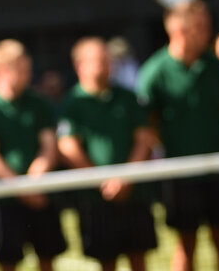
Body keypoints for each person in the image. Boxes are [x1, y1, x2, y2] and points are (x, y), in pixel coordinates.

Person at [137, 0, 219, 271]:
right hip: (179, 174)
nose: (207, 32)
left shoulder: (213, 65)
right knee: (185, 244)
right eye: (201, 27)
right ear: (180, 31)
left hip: (218, 171)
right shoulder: (155, 72)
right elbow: (146, 126)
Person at [58, 37, 157, 271]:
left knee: (139, 259)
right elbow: (68, 146)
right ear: (79, 65)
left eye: (107, 60)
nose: (104, 65)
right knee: (106, 261)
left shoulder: (128, 97)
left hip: (134, 195)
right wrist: (102, 181)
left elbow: (144, 139)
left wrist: (125, 178)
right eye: (98, 60)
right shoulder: (73, 103)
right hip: (96, 200)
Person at [0, 39, 66, 271]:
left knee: (47, 258)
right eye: (21, 69)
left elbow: (49, 145)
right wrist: (20, 187)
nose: (28, 74)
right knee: (8, 262)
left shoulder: (39, 103)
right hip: (5, 199)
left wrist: (37, 176)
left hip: (40, 193)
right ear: (2, 70)